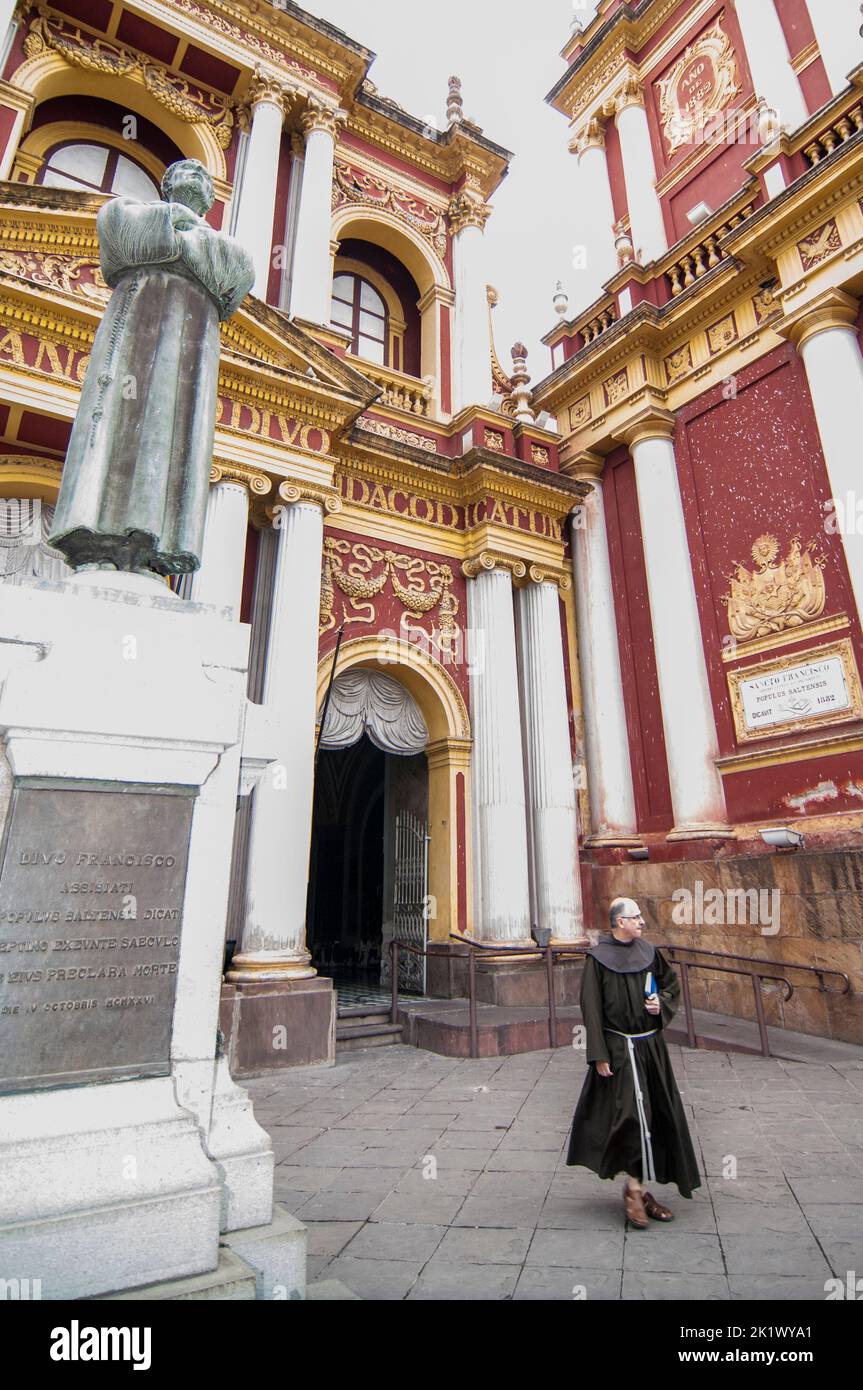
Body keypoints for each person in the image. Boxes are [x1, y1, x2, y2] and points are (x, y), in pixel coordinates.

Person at [50, 159, 254, 576]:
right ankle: (97, 538)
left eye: (202, 173)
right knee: (114, 426)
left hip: (191, 345)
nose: (194, 174)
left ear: (213, 198)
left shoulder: (225, 246)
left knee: (173, 433)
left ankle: (150, 547)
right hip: (134, 327)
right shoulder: (130, 212)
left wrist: (177, 242)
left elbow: (236, 279)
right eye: (184, 171)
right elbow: (118, 235)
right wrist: (186, 240)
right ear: (166, 185)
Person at [566, 897, 700, 1228]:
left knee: (656, 1115)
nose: (641, 921)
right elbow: (591, 1008)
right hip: (619, 1048)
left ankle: (638, 1190)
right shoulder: (597, 960)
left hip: (650, 1046)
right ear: (618, 922)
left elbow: (670, 986)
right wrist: (598, 1054)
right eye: (635, 917)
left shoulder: (649, 952)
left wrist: (660, 1005)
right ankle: (635, 1191)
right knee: (629, 1118)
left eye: (640, 916)